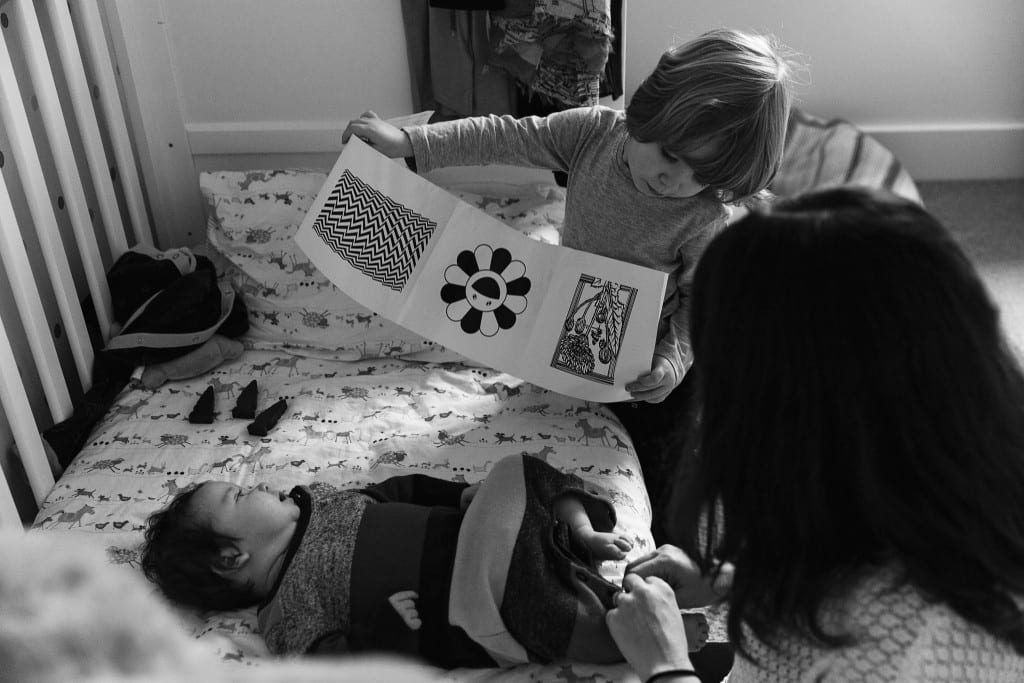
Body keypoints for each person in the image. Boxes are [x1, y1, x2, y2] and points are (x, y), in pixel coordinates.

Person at [341, 28, 795, 525]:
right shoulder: (592, 134)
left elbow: (701, 303)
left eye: (702, 175)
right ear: (648, 112)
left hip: (652, 374)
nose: (676, 181)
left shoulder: (703, 214)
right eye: (669, 154)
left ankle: (671, 547)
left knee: (664, 477)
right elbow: (506, 136)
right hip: (579, 340)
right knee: (559, 452)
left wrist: (672, 361)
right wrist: (409, 142)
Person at [604, 186, 1024, 682]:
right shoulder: (938, 483)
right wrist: (733, 584)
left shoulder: (908, 660)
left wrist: (665, 665)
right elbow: (859, 574)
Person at [141, 453, 708, 670]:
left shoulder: (323, 501)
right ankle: (634, 636)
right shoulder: (286, 613)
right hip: (477, 601)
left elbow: (400, 489)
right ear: (231, 557)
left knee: (518, 470)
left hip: (491, 531)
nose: (259, 485)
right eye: (240, 496)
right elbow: (336, 667)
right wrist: (389, 628)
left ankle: (581, 532)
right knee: (549, 612)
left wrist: (458, 495)